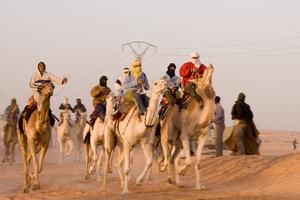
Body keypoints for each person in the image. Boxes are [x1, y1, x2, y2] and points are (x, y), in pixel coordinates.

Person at [19, 61, 67, 129]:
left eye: (43, 66)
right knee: (38, 98)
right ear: (38, 67)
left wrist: (62, 81)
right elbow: (30, 85)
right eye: (40, 66)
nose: (42, 67)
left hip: (45, 93)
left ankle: (50, 123)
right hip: (37, 92)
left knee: (47, 103)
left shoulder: (48, 75)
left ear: (45, 67)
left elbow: (55, 79)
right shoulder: (35, 75)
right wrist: (38, 88)